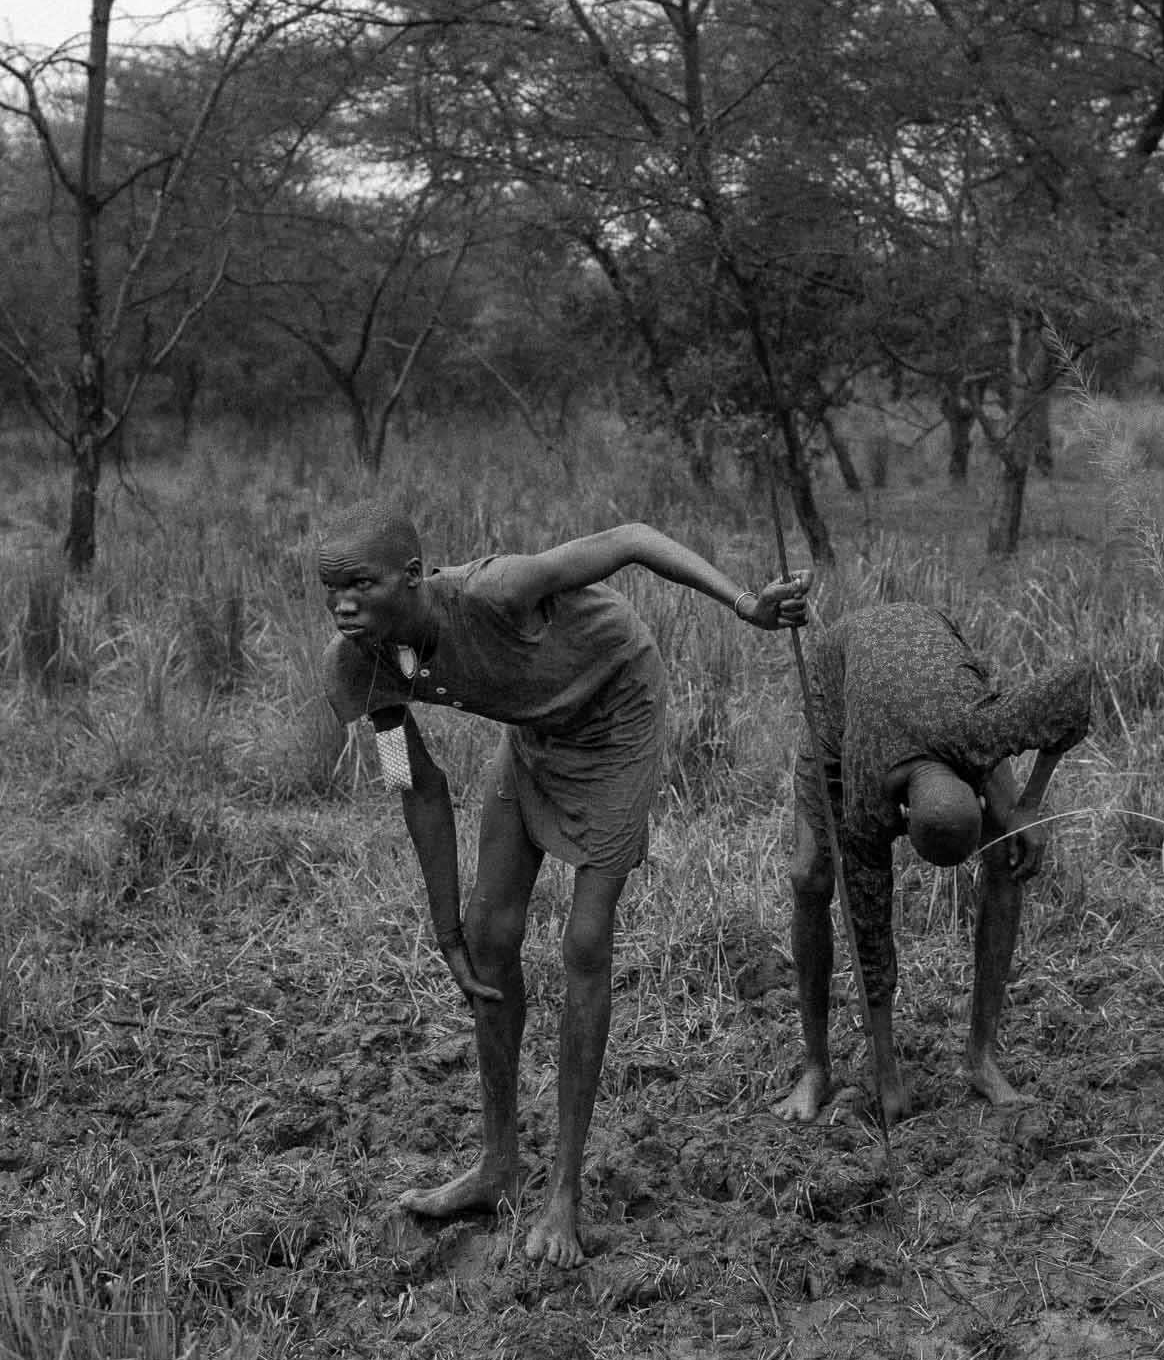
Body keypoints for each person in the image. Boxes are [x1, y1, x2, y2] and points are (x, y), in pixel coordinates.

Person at [316, 500, 810, 1268]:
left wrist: (747, 604)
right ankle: (497, 1167)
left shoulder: (498, 590)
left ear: (411, 576)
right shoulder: (361, 662)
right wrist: (447, 930)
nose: (344, 605)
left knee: (584, 942)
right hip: (538, 732)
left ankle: (564, 1194)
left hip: (618, 714)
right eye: (332, 589)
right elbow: (415, 783)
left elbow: (632, 538)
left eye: (361, 585)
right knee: (489, 938)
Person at [772, 602, 1091, 1127]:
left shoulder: (982, 731)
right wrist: (886, 1075)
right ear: (901, 815)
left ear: (970, 780)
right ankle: (816, 1068)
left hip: (942, 680)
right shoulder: (867, 796)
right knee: (810, 875)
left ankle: (982, 1058)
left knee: (1009, 851)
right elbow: (870, 926)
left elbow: (1074, 684)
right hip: (844, 692)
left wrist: (1027, 808)